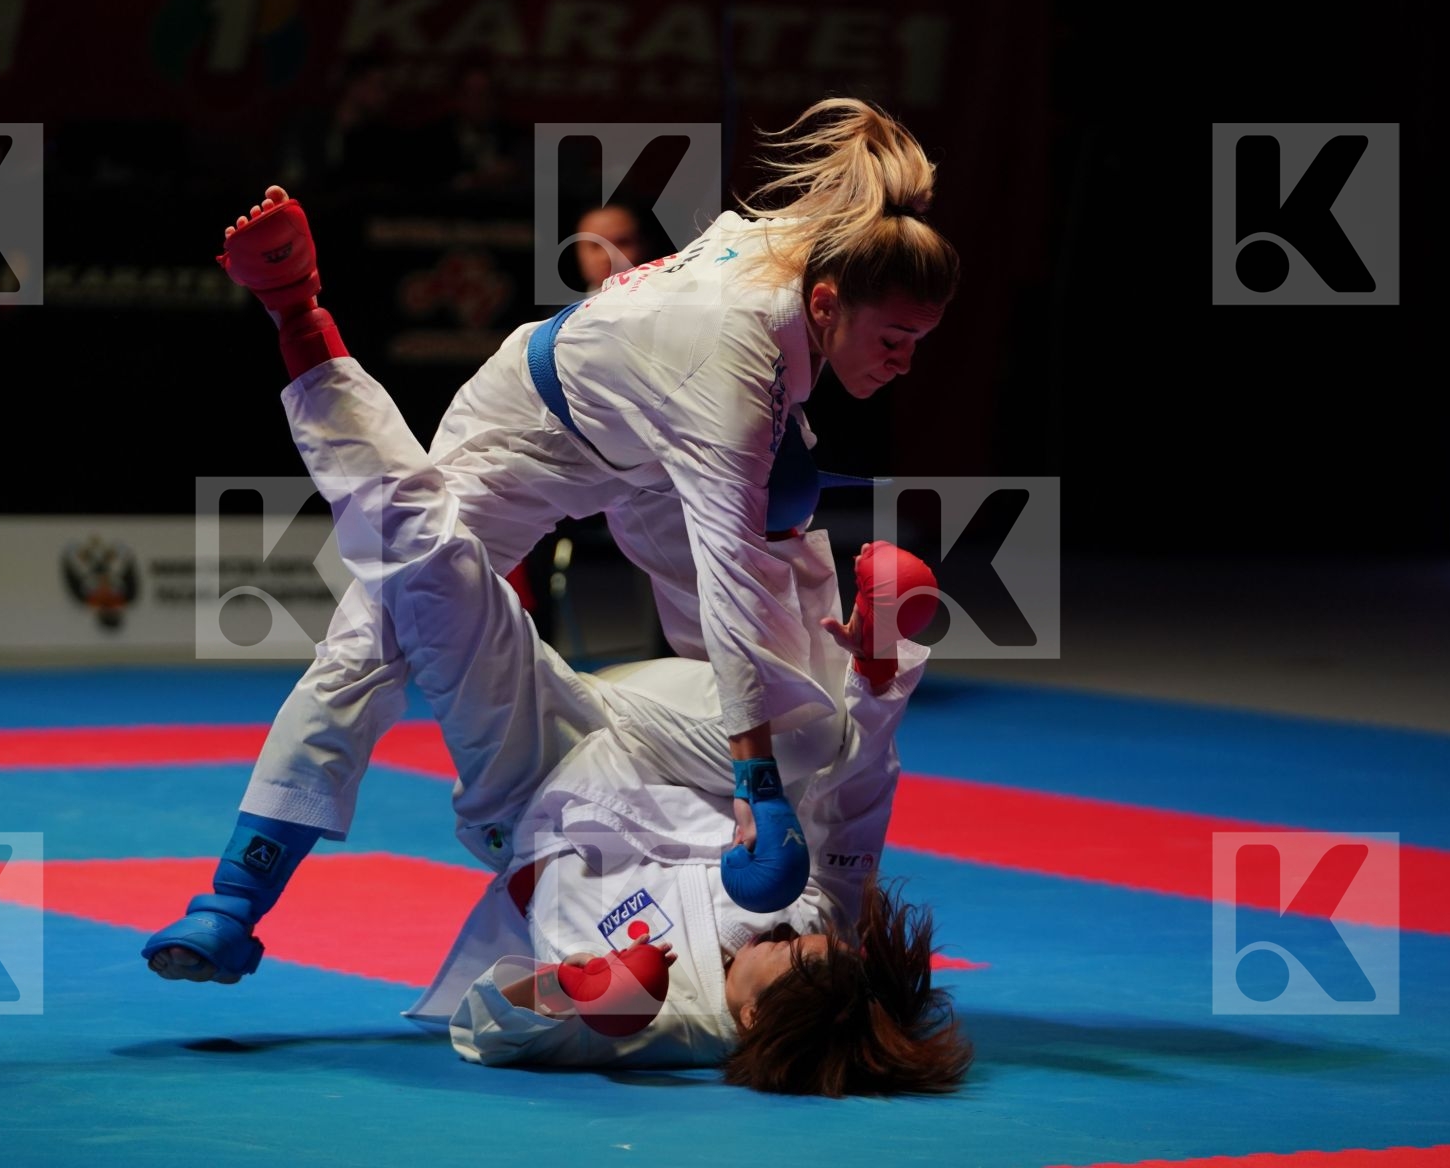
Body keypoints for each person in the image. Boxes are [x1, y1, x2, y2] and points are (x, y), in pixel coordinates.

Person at [143, 273, 970, 1095]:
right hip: (680, 748)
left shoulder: (667, 1024)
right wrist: (877, 670)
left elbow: (488, 1019)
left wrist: (582, 996)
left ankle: (299, 319)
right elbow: (859, 792)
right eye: (810, 938)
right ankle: (783, 527)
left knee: (427, 565)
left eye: (783, 954)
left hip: (536, 786)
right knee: (821, 739)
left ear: (748, 1019)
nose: (792, 928)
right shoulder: (825, 930)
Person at [214, 96, 960, 920]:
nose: (904, 364)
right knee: (387, 621)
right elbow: (729, 580)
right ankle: (239, 890)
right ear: (825, 305)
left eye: (920, 344)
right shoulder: (736, 374)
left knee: (805, 712)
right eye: (894, 339)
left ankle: (857, 690)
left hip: (653, 450)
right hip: (536, 430)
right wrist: (757, 789)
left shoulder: (831, 249)